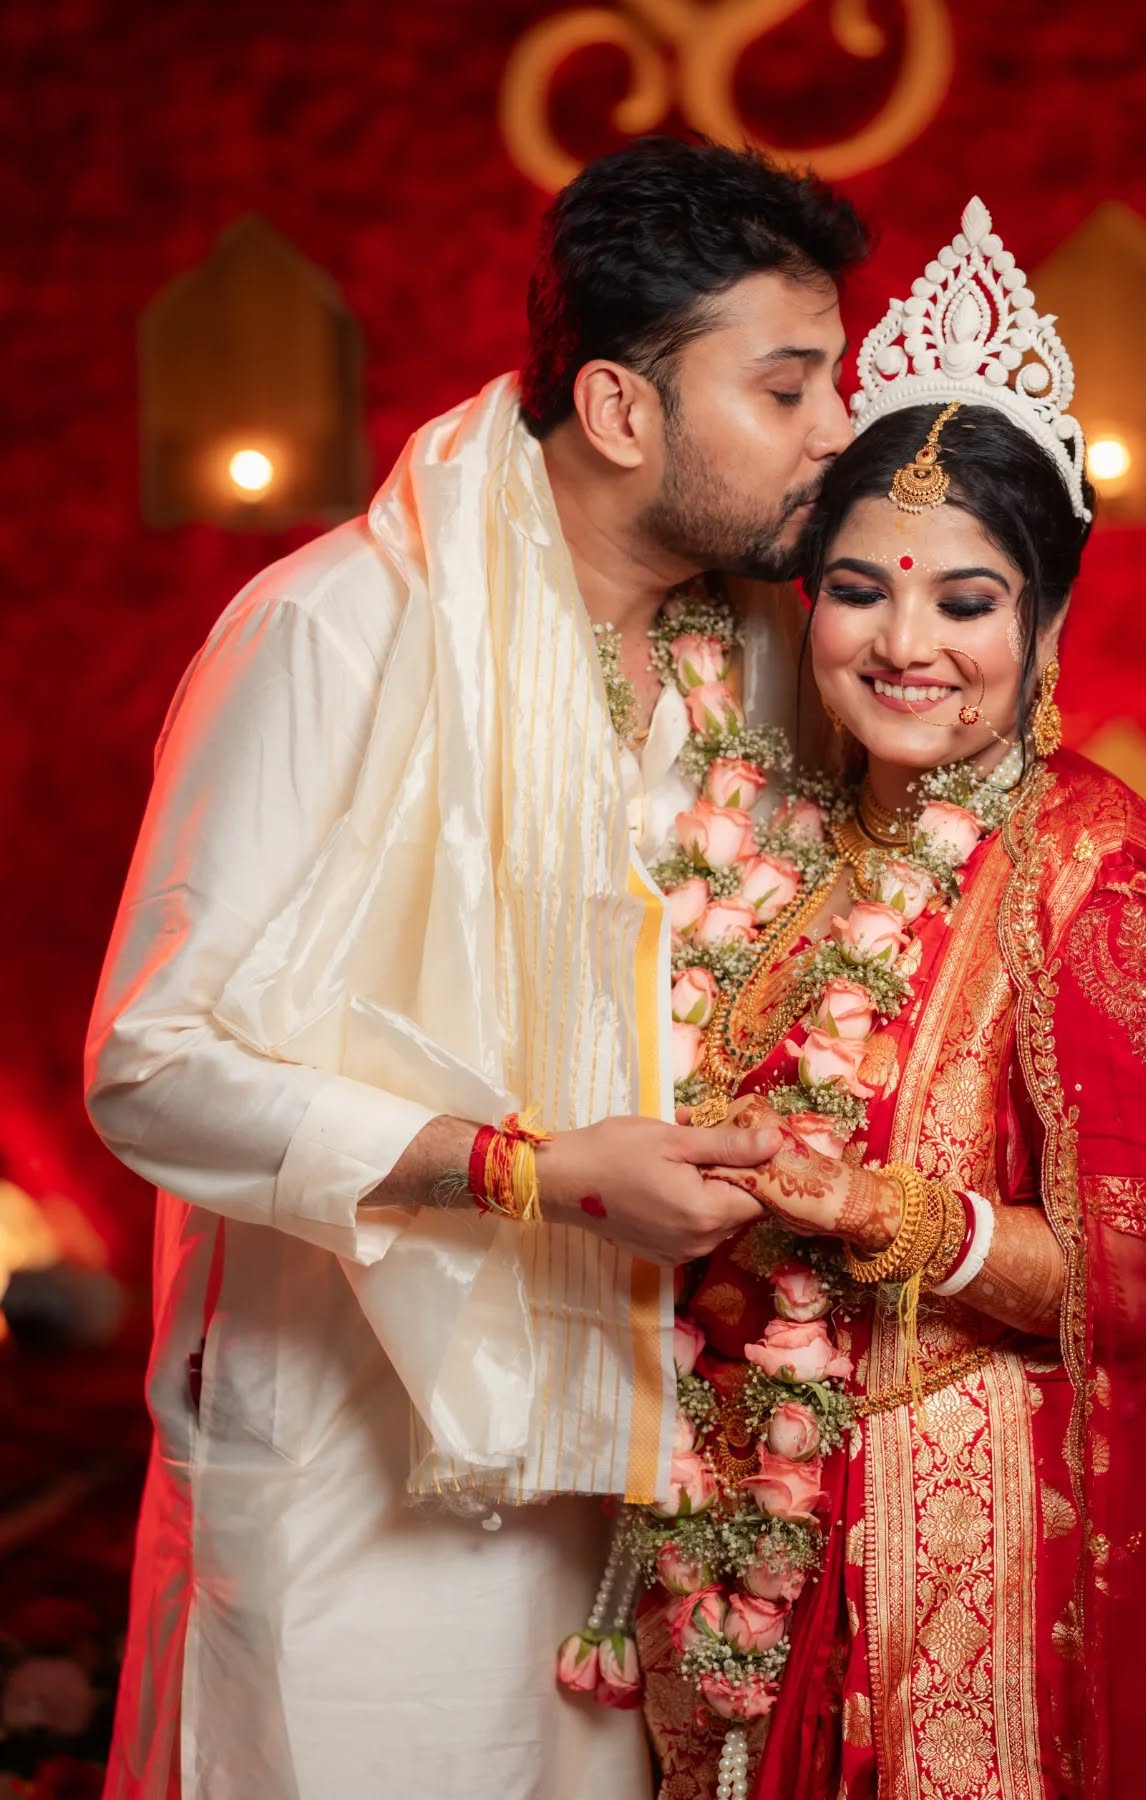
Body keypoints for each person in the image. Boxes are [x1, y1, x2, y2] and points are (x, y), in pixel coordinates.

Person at [84, 138, 867, 1800]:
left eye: (839, 381)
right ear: (618, 409)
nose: (835, 433)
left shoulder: (763, 658)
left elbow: (959, 929)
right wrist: (535, 1174)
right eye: (790, 385)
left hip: (651, 1463)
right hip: (359, 1459)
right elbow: (152, 1063)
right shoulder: (337, 633)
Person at [627, 199, 1146, 1798]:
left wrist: (893, 1215)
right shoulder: (778, 833)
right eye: (860, 590)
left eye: (966, 603)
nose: (906, 645)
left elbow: (1127, 1285)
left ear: (1042, 621)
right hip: (752, 1515)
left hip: (970, 1557)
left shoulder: (1094, 870)